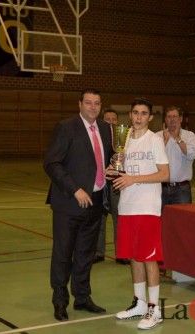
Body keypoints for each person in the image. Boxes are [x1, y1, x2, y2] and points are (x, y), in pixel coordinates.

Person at [44, 88, 113, 321]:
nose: (93, 107)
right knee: (63, 254)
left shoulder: (105, 128)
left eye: (97, 103)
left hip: (95, 203)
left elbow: (105, 159)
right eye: (88, 103)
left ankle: (82, 297)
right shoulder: (66, 127)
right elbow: (52, 163)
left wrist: (112, 169)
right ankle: (60, 301)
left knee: (85, 253)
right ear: (79, 105)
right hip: (69, 204)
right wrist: (75, 189)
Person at [110, 97, 169, 330]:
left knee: (149, 258)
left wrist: (134, 179)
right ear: (130, 115)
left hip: (147, 208)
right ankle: (140, 303)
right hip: (127, 207)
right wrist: (113, 169)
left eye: (144, 113)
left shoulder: (154, 140)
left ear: (150, 117)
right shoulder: (125, 140)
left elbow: (164, 174)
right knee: (134, 256)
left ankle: (155, 309)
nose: (138, 117)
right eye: (135, 112)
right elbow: (122, 171)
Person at [94, 108, 128, 264]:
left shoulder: (124, 139)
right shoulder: (96, 137)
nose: (110, 122)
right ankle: (98, 252)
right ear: (102, 121)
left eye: (113, 119)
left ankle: (121, 253)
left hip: (116, 182)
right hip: (100, 183)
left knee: (119, 218)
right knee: (99, 218)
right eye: (107, 119)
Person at [156, 105, 195, 206]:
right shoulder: (157, 136)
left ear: (180, 118)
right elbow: (153, 160)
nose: (172, 119)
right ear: (165, 119)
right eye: (169, 117)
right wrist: (165, 142)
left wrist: (178, 138)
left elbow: (192, 155)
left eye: (174, 116)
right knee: (161, 220)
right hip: (161, 188)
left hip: (182, 189)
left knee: (183, 221)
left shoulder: (189, 136)